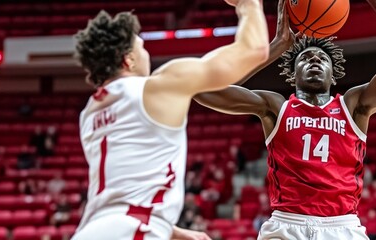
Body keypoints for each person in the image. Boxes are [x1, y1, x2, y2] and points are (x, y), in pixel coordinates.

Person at [194, 0, 376, 237]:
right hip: (287, 224)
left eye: (323, 59)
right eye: (306, 57)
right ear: (293, 74)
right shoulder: (276, 106)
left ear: (333, 76)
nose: (314, 60)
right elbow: (203, 91)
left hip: (341, 226)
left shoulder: (353, 105)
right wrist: (276, 46)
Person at [71, 0, 270, 238]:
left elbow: (119, 197)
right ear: (128, 60)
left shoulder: (90, 113)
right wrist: (248, 5)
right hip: (134, 231)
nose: (147, 54)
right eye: (142, 48)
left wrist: (173, 232)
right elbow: (254, 51)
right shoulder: (158, 86)